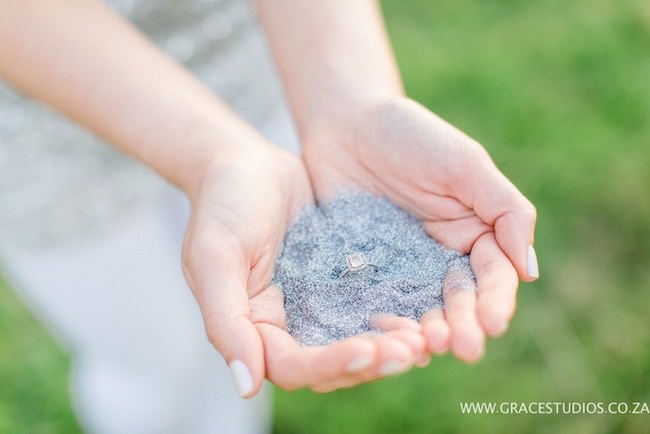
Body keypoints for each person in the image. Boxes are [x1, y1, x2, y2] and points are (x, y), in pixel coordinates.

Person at [0, 0, 538, 432]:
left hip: (266, 58)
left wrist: (352, 102)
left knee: (248, 304)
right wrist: (217, 155)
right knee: (159, 359)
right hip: (40, 121)